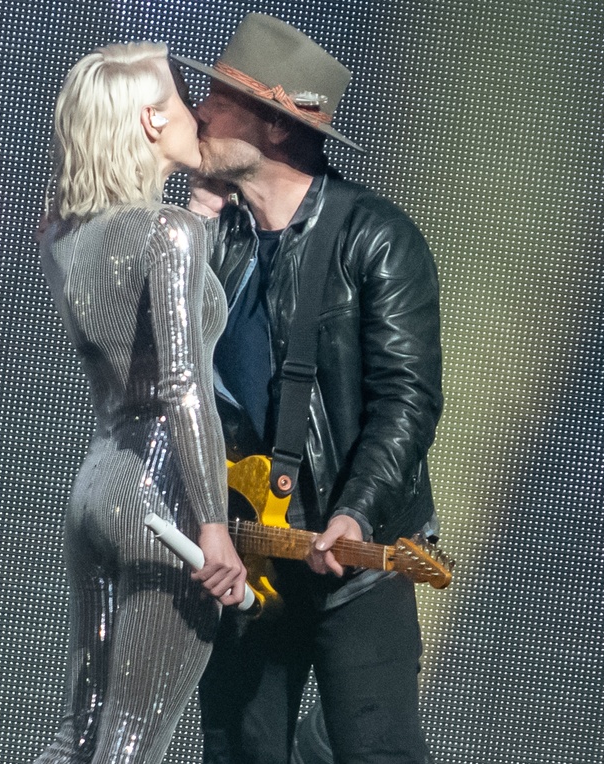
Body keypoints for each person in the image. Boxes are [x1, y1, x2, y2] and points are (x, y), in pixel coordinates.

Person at [173, 14, 444, 764]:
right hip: (248, 551)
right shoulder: (207, 236)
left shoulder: (375, 238)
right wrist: (194, 220)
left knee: (375, 746)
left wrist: (358, 512)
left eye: (220, 100)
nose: (199, 112)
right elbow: (163, 373)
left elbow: (407, 399)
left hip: (354, 558)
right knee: (239, 746)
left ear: (275, 126)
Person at [34, 42, 248, 764]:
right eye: (188, 100)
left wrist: (204, 210)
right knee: (132, 737)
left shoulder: (69, 234)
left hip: (99, 483)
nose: (201, 113)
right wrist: (212, 524)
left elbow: (141, 327)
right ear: (154, 121)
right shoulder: (167, 235)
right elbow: (181, 383)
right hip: (163, 493)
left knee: (82, 728)